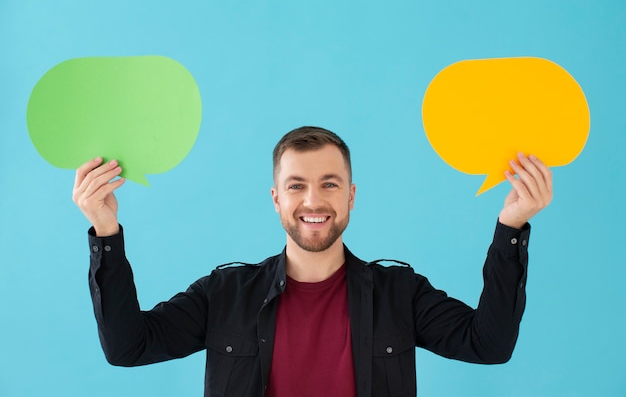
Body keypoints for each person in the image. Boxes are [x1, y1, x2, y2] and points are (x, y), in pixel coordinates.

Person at [73, 126, 552, 397]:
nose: (313, 200)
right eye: (297, 185)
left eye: (329, 183)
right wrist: (105, 232)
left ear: (351, 196)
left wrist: (511, 228)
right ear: (277, 199)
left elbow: (488, 345)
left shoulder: (399, 294)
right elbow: (127, 348)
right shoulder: (224, 295)